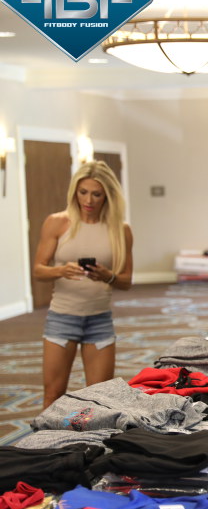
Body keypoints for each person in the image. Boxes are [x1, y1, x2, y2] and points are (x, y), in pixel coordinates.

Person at [33, 160, 134, 409]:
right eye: (83, 192)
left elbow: (126, 281)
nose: (88, 200)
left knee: (101, 399)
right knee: (53, 395)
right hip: (62, 318)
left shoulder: (121, 230)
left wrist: (107, 276)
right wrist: (61, 270)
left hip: (99, 320)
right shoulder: (57, 222)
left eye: (96, 194)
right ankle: (48, 436)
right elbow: (38, 270)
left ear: (107, 195)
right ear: (75, 192)